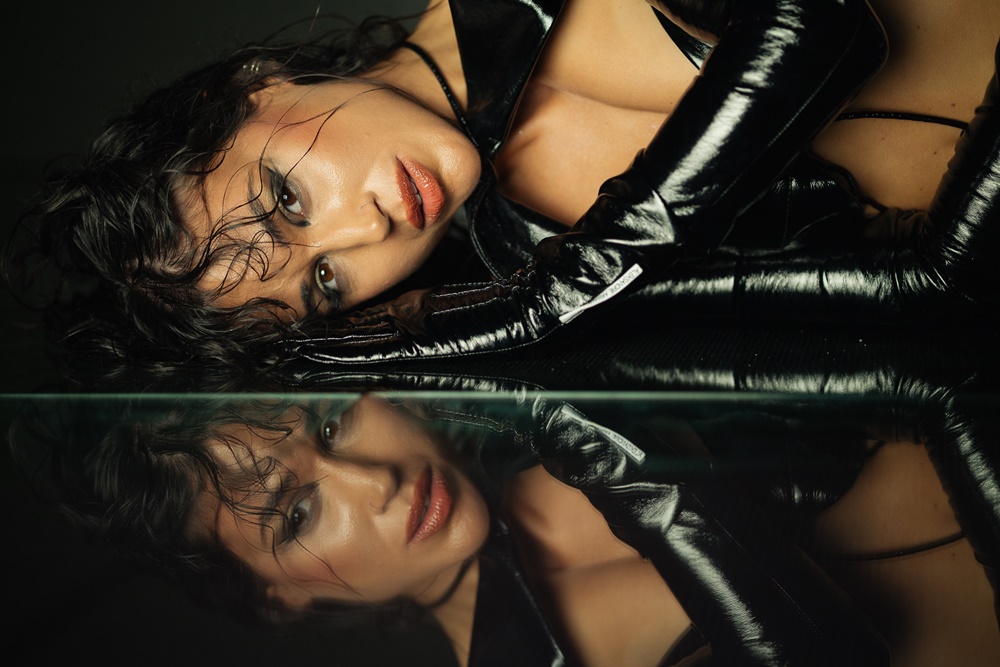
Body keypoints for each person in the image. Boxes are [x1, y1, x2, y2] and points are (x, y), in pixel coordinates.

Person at [7, 0, 999, 375]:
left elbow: (820, 21)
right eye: (323, 285)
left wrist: (568, 290)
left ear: (248, 89)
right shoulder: (535, 258)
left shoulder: (563, 276)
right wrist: (563, 294)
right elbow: (925, 288)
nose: (363, 231)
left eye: (287, 202)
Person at [15, 377, 1000, 667]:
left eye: (329, 420)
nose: (377, 480)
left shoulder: (568, 400)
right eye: (299, 510)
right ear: (277, 597)